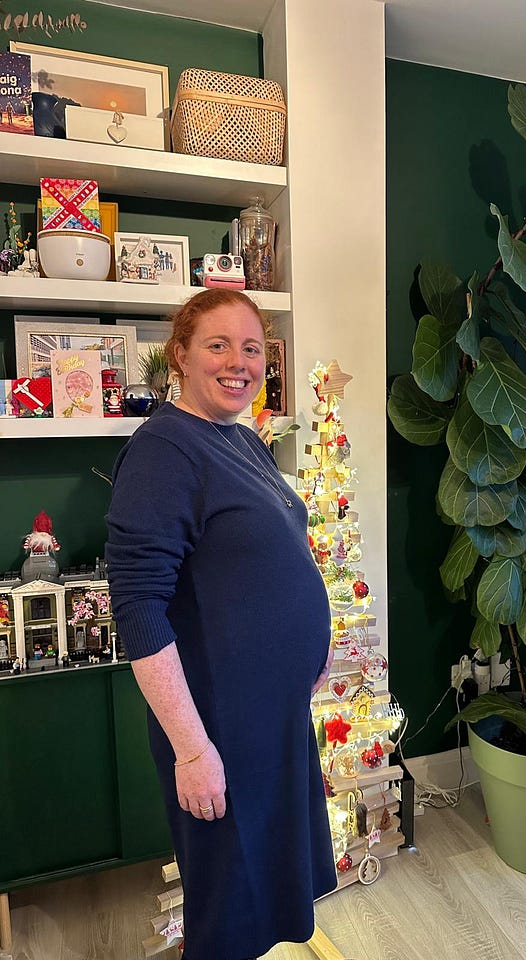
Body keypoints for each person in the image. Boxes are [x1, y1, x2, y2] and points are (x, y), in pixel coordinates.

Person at [106, 288, 336, 960]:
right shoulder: (163, 451)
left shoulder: (240, 440)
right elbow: (139, 610)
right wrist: (192, 750)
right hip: (220, 728)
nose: (239, 362)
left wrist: (307, 653)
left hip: (270, 718)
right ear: (179, 355)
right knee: (229, 905)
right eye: (218, 345)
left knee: (265, 886)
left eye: (253, 348)